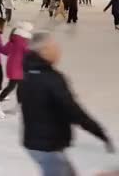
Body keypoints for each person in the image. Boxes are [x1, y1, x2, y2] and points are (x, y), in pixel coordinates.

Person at [21, 32, 114, 175]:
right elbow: (73, 110)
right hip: (48, 147)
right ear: (43, 51)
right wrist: (98, 131)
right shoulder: (51, 79)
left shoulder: (28, 75)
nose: (58, 51)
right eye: (54, 47)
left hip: (36, 143)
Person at [0, 22, 33, 118]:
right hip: (18, 67)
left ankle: (19, 107)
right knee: (12, 86)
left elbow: (5, 51)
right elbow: (29, 54)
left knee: (20, 86)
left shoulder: (13, 39)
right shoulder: (24, 42)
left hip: (12, 66)